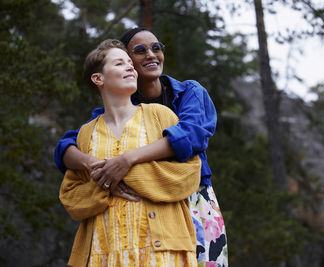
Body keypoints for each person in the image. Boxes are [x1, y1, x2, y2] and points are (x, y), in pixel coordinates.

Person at [55, 27, 228, 266]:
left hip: (193, 195)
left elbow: (191, 137)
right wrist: (97, 167)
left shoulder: (188, 92)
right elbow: (66, 146)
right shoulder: (119, 108)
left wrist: (127, 161)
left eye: (157, 48)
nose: (151, 54)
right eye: (140, 50)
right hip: (140, 206)